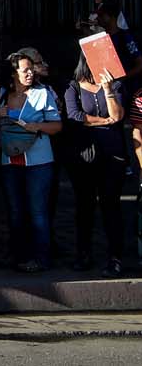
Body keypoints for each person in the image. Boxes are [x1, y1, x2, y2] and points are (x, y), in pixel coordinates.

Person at [0, 49, 61, 273]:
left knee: (38, 211)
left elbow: (57, 126)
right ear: (13, 73)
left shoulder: (43, 93)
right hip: (9, 160)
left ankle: (41, 258)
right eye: (25, 70)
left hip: (39, 162)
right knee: (15, 210)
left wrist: (35, 127)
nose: (30, 73)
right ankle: (16, 254)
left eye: (31, 70)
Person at [63, 56, 127, 277]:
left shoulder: (116, 83)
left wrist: (108, 89)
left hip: (112, 154)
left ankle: (115, 258)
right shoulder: (73, 86)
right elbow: (74, 115)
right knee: (84, 206)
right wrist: (103, 121)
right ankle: (84, 254)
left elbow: (118, 115)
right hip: (84, 154)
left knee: (111, 206)